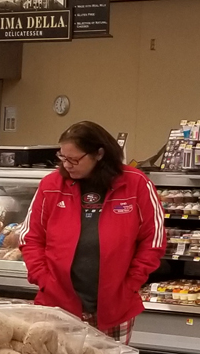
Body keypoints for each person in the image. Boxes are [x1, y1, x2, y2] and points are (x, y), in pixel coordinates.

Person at [20, 121, 167, 341]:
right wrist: (43, 278)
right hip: (57, 305)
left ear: (99, 154)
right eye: (62, 157)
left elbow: (153, 239)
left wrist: (131, 283)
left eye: (74, 159)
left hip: (116, 305)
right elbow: (30, 237)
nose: (67, 165)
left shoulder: (136, 183)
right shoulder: (51, 185)